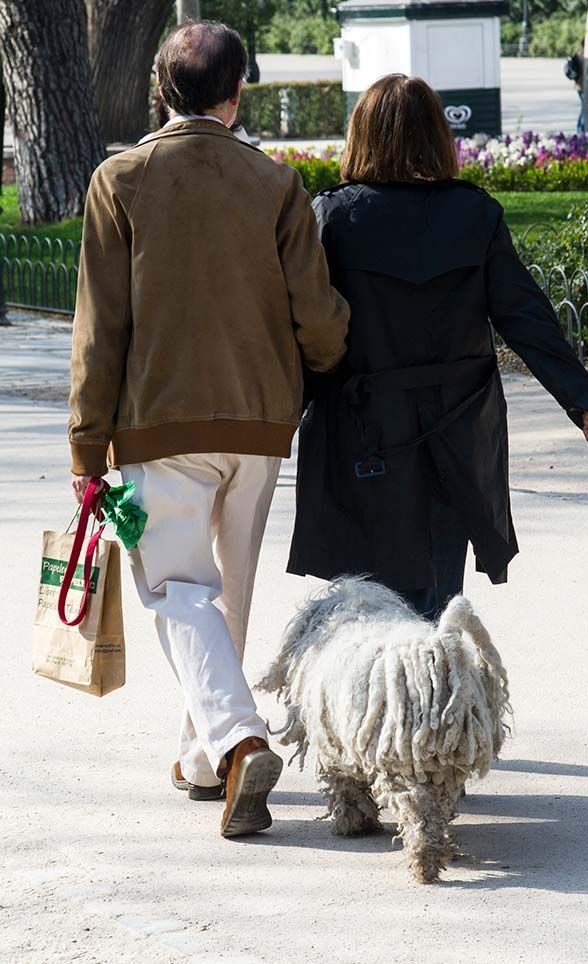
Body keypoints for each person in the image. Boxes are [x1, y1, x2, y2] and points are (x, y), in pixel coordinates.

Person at [68, 21, 349, 836]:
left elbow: (100, 329)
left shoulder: (120, 179)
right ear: (237, 94)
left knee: (175, 590)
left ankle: (236, 739)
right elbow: (318, 319)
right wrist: (325, 364)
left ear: (160, 88)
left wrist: (89, 446)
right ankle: (203, 759)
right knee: (227, 594)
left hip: (159, 421)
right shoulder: (276, 183)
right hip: (261, 422)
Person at [287, 74, 588, 620]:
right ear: (439, 136)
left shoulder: (336, 216)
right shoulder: (474, 213)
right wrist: (582, 398)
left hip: (362, 430)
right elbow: (524, 314)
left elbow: (307, 325)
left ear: (362, 136)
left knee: (363, 600)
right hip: (455, 429)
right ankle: (433, 697)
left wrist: (266, 425)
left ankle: (378, 701)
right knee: (438, 591)